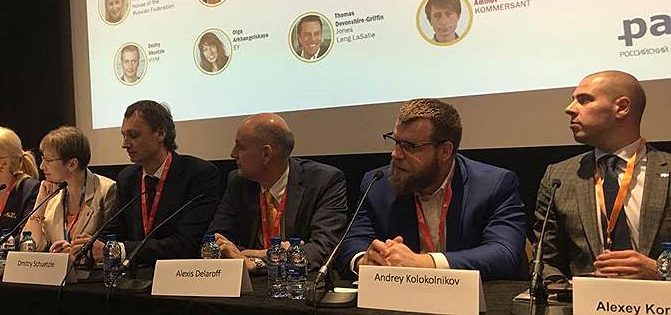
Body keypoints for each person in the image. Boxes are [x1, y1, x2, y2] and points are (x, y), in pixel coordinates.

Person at [337, 98, 527, 281]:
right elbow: (351, 244)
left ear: (445, 151)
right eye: (396, 141)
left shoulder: (493, 185)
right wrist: (365, 260)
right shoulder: (378, 184)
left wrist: (423, 263)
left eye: (410, 146)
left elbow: (505, 252)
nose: (396, 154)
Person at [534, 70, 671, 281]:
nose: (569, 109)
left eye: (584, 100)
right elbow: (544, 262)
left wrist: (661, 270)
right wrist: (570, 292)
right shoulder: (559, 176)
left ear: (622, 108)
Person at [70, 100, 220, 265]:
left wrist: (120, 250)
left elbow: (187, 243)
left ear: (160, 134)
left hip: (180, 273)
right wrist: (86, 246)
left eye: (133, 135)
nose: (125, 144)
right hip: (133, 275)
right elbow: (112, 231)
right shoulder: (127, 178)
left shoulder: (198, 174)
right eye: (124, 135)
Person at [207, 113, 348, 271]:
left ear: (266, 154)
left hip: (299, 282)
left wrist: (255, 261)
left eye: (240, 147)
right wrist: (264, 254)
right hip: (247, 283)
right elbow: (215, 242)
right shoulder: (238, 182)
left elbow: (323, 249)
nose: (233, 154)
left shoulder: (323, 181)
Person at [24, 126, 116, 253]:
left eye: (48, 160)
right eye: (43, 159)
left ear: (72, 164)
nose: (41, 166)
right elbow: (30, 247)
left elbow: (109, 245)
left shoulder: (106, 191)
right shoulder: (52, 197)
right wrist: (40, 205)